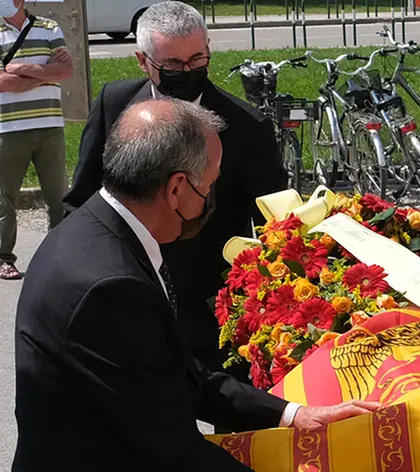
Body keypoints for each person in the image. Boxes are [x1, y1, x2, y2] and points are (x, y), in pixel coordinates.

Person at [13, 98, 378, 471]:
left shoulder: (94, 230)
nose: (212, 198)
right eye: (211, 183)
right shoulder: (111, 287)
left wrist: (293, 415)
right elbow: (174, 450)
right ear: (176, 189)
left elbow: (178, 376)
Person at [63, 1, 287, 378]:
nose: (187, 71)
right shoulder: (114, 105)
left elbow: (274, 226)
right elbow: (81, 200)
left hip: (209, 311)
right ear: (142, 61)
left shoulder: (248, 128)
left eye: (197, 59)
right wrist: (71, 275)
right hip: (122, 297)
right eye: (172, 64)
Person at [0, 0, 72, 280]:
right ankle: (3, 258)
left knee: (58, 196)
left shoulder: (49, 27)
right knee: (4, 198)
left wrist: (20, 68)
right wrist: (44, 74)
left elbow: (65, 71)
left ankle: (60, 256)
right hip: (8, 128)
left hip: (50, 125)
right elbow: (1, 82)